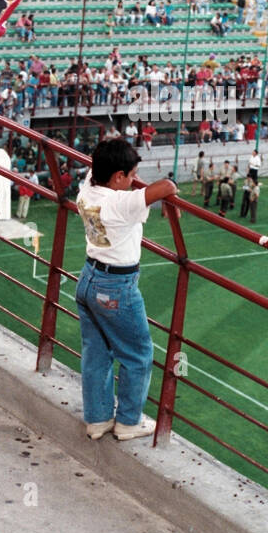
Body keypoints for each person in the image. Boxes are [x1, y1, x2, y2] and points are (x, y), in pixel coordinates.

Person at [74, 138, 176, 442]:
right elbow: (167, 186)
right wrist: (169, 198)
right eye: (130, 176)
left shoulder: (86, 189)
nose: (133, 182)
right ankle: (129, 422)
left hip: (89, 277)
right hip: (117, 286)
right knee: (139, 354)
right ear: (118, 176)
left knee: (97, 353)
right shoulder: (121, 203)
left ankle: (98, 420)